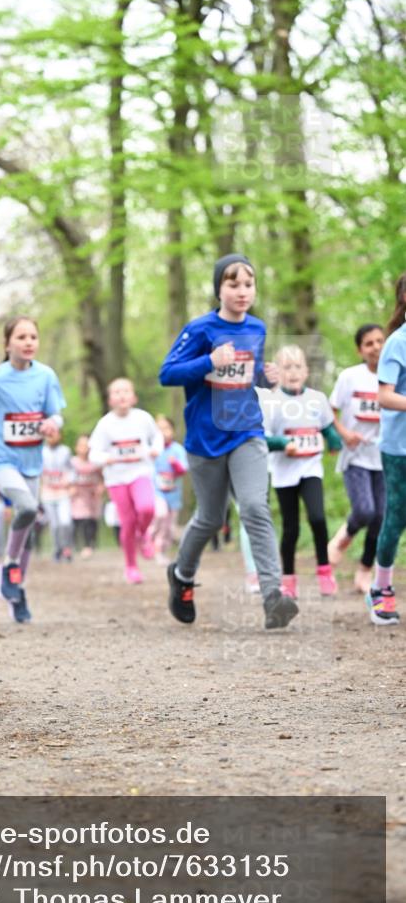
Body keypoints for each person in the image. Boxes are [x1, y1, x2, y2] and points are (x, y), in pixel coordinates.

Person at [159, 252, 298, 630]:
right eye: (232, 283)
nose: (241, 291)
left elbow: (246, 375)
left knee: (255, 506)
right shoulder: (201, 329)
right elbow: (167, 374)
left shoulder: (257, 328)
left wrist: (266, 378)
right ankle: (182, 577)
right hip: (205, 437)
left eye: (248, 284)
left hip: (246, 431)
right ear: (219, 288)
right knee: (210, 517)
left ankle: (274, 596)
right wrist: (208, 362)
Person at [0, 316, 66, 623]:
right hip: (1, 461)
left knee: (28, 530)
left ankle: (17, 589)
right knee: (26, 507)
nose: (28, 342)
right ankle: (9, 564)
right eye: (21, 337)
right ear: (7, 343)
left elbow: (56, 415)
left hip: (32, 464)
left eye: (33, 337)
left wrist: (52, 424)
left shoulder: (46, 375)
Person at [260, 345, 342, 598]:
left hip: (310, 468)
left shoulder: (316, 399)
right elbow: (263, 438)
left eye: (297, 366)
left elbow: (327, 426)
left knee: (317, 518)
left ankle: (324, 571)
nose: (293, 372)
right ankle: (289, 579)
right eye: (286, 367)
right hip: (284, 472)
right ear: (279, 373)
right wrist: (284, 444)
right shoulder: (273, 402)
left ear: (306, 371)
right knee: (291, 528)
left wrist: (334, 441)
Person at [328, 324, 385, 593]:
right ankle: (343, 537)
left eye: (379, 341)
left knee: (381, 517)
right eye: (369, 343)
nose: (375, 347)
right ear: (360, 350)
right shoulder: (350, 377)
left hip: (384, 457)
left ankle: (364, 570)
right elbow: (329, 411)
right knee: (364, 510)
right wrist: (344, 433)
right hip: (355, 456)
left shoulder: (395, 376)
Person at [89, 378, 163, 583]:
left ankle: (143, 533)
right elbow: (93, 453)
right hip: (116, 478)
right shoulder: (105, 424)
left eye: (126, 391)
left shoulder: (143, 418)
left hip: (140, 472)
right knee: (127, 522)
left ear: (134, 397)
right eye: (116, 392)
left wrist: (156, 449)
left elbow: (157, 437)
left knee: (147, 508)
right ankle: (131, 566)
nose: (122, 395)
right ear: (110, 400)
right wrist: (107, 458)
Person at [366, 296, 406, 626]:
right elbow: (384, 396)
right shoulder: (397, 342)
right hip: (399, 448)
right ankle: (380, 588)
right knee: (396, 517)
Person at [151, 415, 188, 564]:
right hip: (156, 492)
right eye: (158, 429)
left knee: (169, 527)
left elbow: (184, 469)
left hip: (173, 494)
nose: (163, 432)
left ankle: (162, 551)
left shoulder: (177, 449)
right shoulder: (153, 450)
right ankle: (150, 541)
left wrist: (175, 464)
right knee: (160, 514)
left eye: (166, 428)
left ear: (172, 430)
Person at [41, 427, 74, 561]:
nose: (52, 437)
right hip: (48, 494)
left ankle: (67, 547)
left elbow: (72, 470)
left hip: (63, 493)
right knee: (54, 524)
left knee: (65, 522)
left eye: (54, 434)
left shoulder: (65, 451)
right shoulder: (41, 452)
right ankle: (57, 549)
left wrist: (69, 481)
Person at [70, 434, 104, 557]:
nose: (84, 448)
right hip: (77, 496)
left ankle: (89, 544)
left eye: (87, 445)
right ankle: (75, 545)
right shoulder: (72, 462)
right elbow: (67, 477)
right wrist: (70, 488)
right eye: (81, 445)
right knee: (79, 520)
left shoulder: (96, 462)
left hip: (92, 496)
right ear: (76, 447)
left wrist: (101, 487)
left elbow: (102, 477)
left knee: (90, 520)